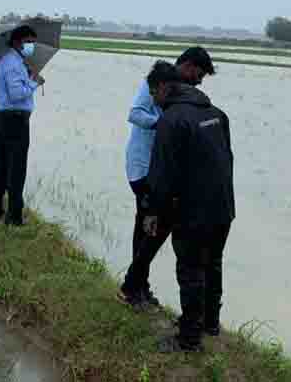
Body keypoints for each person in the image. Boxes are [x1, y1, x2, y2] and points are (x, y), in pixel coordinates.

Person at [143, 60, 235, 352]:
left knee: (191, 269)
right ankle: (209, 323)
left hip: (193, 210)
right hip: (223, 206)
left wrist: (153, 212)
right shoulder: (216, 114)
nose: (152, 100)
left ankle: (189, 339)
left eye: (152, 93)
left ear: (162, 88)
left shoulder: (171, 120)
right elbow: (226, 160)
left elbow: (161, 172)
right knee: (213, 264)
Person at [118, 46, 216, 308]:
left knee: (152, 227)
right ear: (188, 66)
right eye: (199, 74)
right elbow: (134, 113)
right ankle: (135, 288)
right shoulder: (157, 82)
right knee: (148, 229)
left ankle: (138, 286)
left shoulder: (180, 92)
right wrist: (164, 125)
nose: (199, 80)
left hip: (162, 170)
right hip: (144, 168)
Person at [0, 25, 44, 226]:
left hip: (3, 118)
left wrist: (28, 77)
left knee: (1, 164)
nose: (32, 46)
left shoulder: (13, 61)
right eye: (29, 42)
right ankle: (14, 216)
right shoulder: (12, 63)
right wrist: (34, 82)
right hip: (14, 120)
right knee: (16, 168)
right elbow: (16, 94)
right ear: (18, 41)